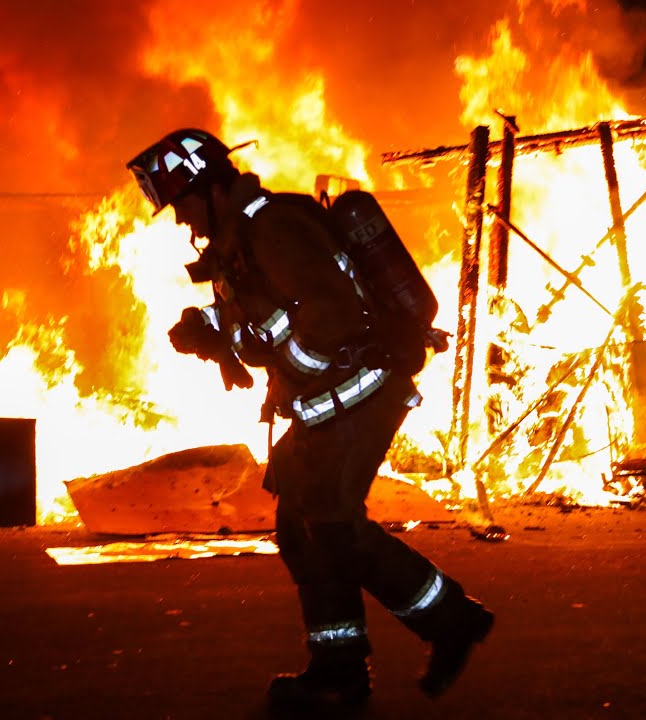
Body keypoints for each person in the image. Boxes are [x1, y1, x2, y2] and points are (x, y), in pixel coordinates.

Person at [126, 128, 494, 707]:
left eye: (183, 203)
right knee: (301, 529)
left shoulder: (274, 228)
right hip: (324, 403)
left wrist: (294, 371)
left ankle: (450, 620)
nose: (181, 220)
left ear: (212, 189)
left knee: (333, 525)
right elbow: (265, 324)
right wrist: (210, 334)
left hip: (358, 395)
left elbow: (329, 317)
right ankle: (338, 667)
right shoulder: (237, 245)